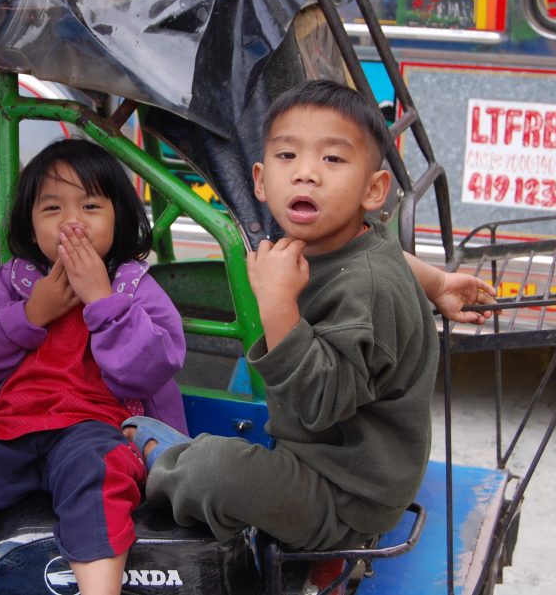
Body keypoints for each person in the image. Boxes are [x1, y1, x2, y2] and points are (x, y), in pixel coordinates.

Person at [124, 79, 496, 551]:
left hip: (344, 497)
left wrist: (277, 305)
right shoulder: (348, 238)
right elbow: (389, 252)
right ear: (260, 179)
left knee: (215, 471)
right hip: (332, 459)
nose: (306, 173)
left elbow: (321, 405)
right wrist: (439, 283)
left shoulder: (366, 289)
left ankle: (160, 461)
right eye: (287, 157)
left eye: (332, 159)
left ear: (374, 189)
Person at [0, 138, 186, 595]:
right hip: (9, 428)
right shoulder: (17, 280)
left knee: (99, 472)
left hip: (97, 426)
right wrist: (32, 313)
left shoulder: (132, 285)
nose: (72, 221)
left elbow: (150, 368)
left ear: (119, 217)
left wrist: (102, 300)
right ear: (30, 226)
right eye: (52, 209)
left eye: (90, 205)